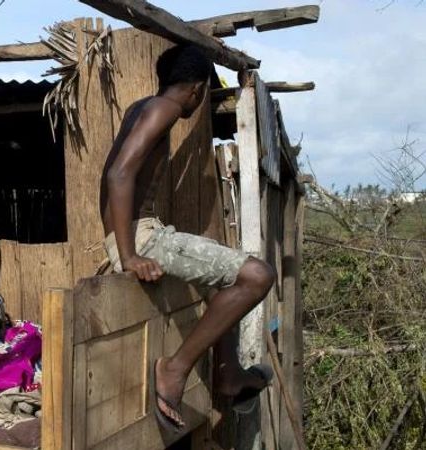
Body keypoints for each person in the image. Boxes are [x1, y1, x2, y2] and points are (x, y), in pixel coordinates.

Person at [99, 44, 276, 431]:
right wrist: (128, 254)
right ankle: (174, 370)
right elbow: (118, 175)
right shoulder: (165, 109)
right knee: (258, 276)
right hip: (139, 235)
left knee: (221, 270)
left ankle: (228, 375)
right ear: (197, 89)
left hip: (142, 231)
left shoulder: (141, 107)